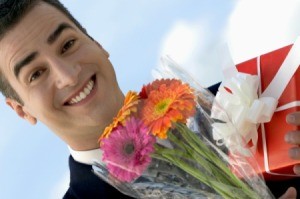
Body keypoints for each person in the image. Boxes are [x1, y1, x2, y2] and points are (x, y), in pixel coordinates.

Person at [0, 0, 297, 198]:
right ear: (21, 110)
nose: (67, 75)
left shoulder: (251, 99)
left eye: (67, 44)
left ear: (97, 43)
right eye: (36, 74)